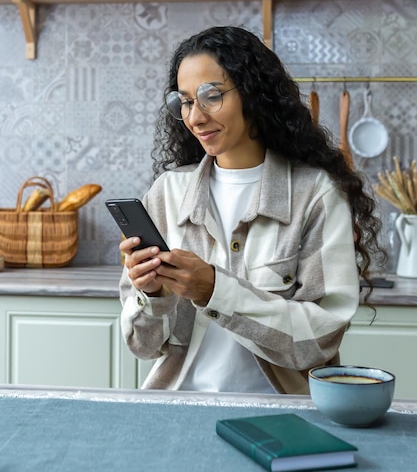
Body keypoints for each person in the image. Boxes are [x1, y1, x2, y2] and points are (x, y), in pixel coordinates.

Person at [119, 25, 383, 394]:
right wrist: (153, 296)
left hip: (283, 412)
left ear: (254, 94)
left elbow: (319, 339)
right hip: (178, 405)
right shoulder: (168, 193)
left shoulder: (315, 194)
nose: (195, 117)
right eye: (187, 101)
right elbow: (142, 346)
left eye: (212, 96)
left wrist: (216, 291)